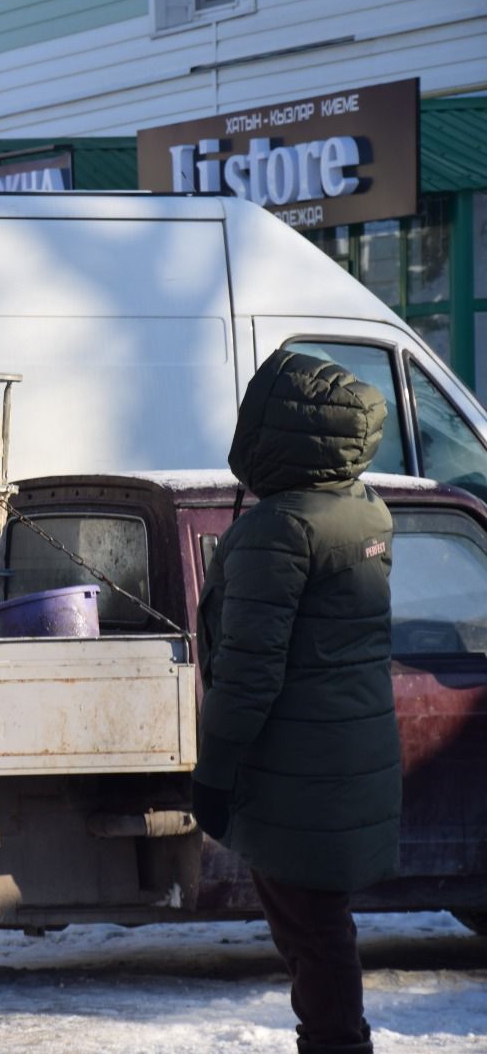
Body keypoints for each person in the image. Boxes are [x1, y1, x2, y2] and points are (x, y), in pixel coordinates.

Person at [191, 350, 399, 1054]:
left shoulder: (280, 530)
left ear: (274, 433)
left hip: (296, 777)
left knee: (314, 940)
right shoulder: (364, 509)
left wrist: (213, 775)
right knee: (323, 931)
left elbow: (248, 675)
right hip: (340, 761)